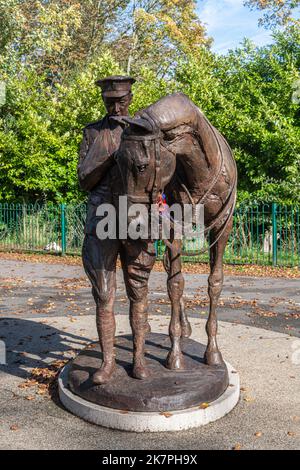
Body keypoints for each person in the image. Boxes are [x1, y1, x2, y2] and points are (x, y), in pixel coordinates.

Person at [78, 76, 155, 384]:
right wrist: (108, 157)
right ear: (103, 101)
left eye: (121, 101)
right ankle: (108, 362)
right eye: (110, 101)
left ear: (130, 98)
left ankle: (138, 359)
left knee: (138, 291)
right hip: (102, 217)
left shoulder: (144, 131)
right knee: (104, 294)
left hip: (135, 218)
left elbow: (157, 175)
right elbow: (84, 179)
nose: (116, 106)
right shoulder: (93, 133)